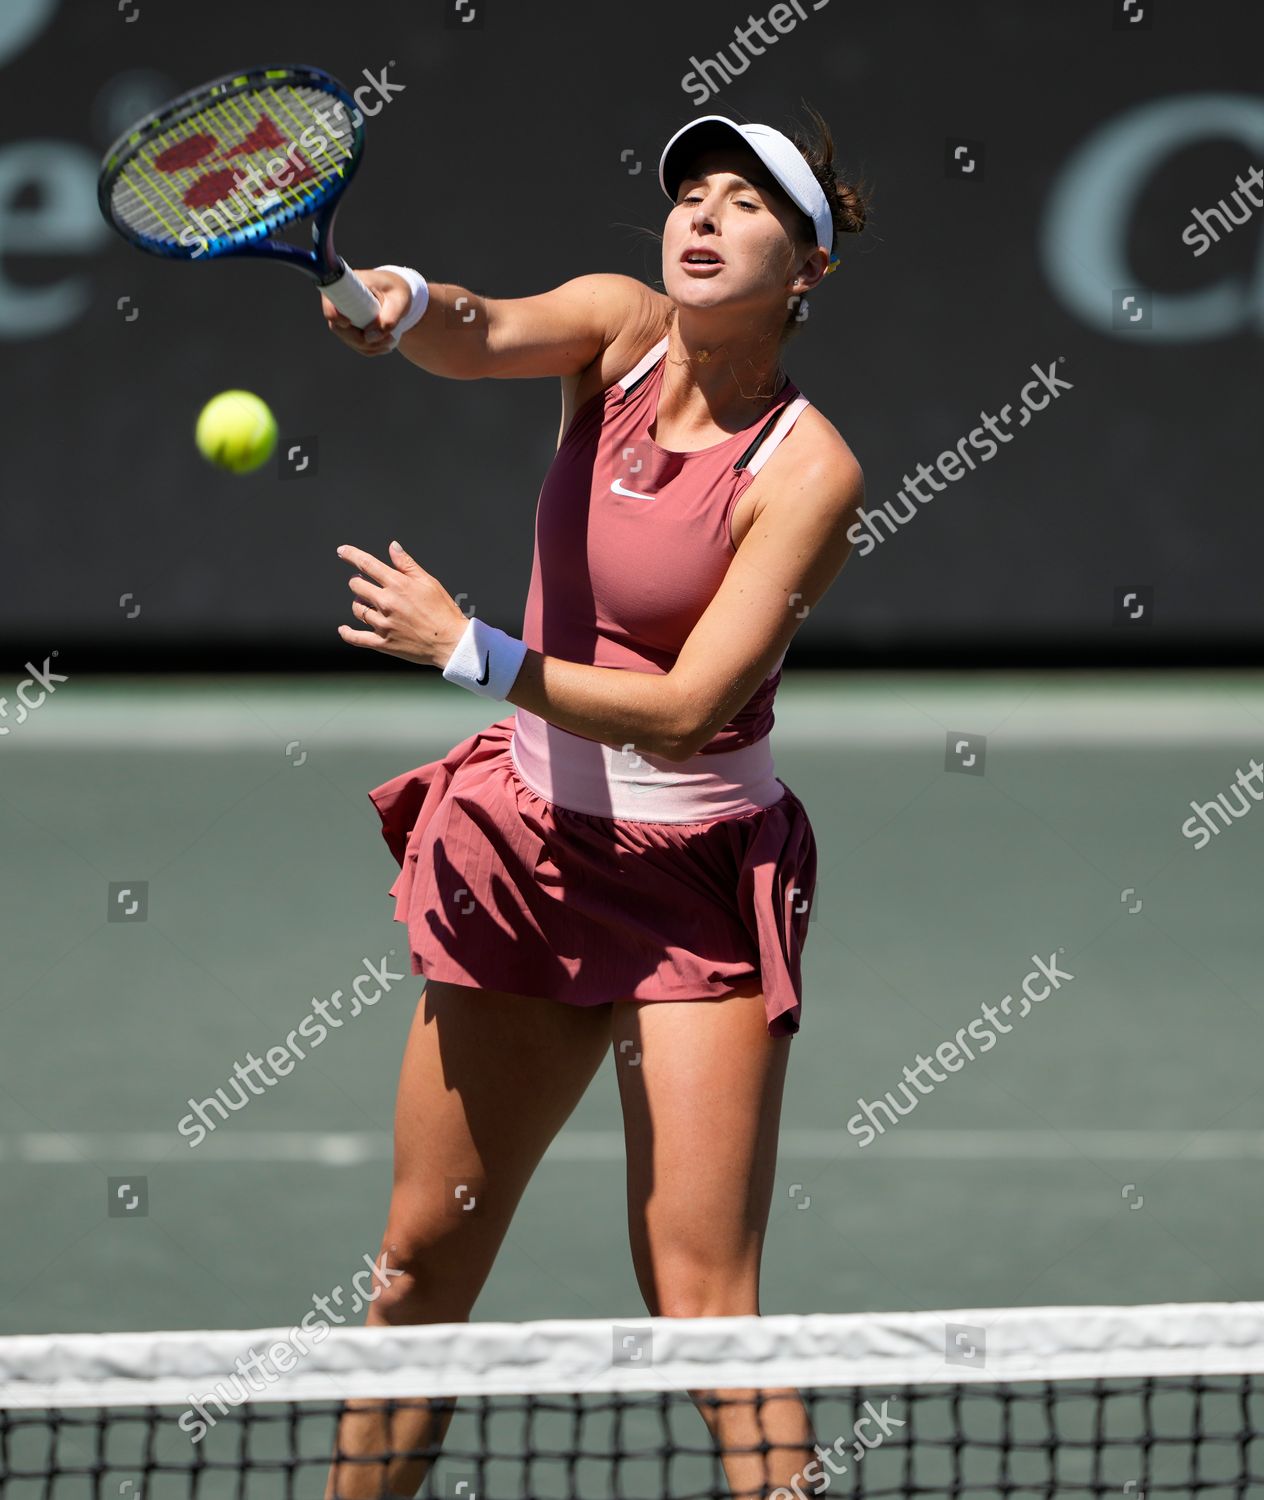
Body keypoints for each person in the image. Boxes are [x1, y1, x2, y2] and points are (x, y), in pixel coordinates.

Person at [320, 107, 869, 1500]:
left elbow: (690, 710)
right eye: (693, 191)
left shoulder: (811, 473)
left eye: (747, 204)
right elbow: (486, 323)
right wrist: (400, 303)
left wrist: (475, 653)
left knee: (701, 1303)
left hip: (694, 881)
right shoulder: (620, 333)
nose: (701, 215)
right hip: (523, 851)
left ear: (807, 268)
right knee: (415, 1267)